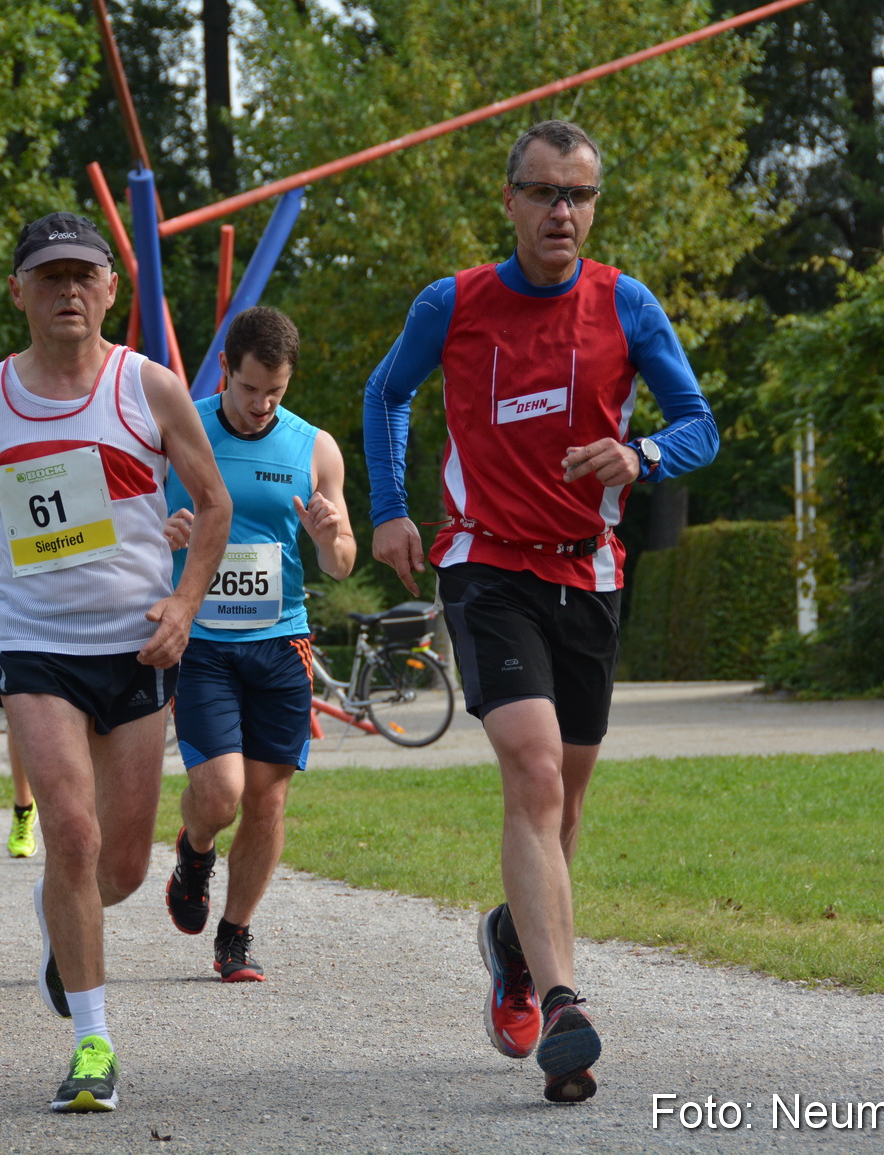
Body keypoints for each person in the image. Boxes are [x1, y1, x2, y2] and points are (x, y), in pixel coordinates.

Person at [363, 120, 720, 1104]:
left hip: (588, 574)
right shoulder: (452, 304)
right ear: (510, 200)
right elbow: (386, 393)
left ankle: (515, 947)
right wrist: (389, 508)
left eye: (579, 194)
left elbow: (700, 426)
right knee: (531, 767)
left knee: (562, 802)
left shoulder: (626, 304)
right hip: (485, 564)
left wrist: (640, 454)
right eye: (544, 192)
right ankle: (565, 1004)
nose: (562, 210)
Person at [0, 212, 230, 1113]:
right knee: (72, 837)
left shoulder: (148, 386)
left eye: (84, 275)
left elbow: (213, 503)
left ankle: (61, 917)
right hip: (35, 644)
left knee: (119, 868)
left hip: (136, 646)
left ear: (111, 288)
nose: (69, 291)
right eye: (49, 277)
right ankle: (93, 1043)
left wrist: (184, 605)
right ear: (19, 292)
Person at [160, 307, 355, 983]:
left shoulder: (314, 447)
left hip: (281, 640)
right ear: (225, 370)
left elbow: (342, 563)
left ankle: (235, 934)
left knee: (267, 800)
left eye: (276, 390)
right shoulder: (179, 427)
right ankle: (195, 848)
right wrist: (163, 535)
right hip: (202, 639)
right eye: (249, 388)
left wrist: (330, 537)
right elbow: (130, 522)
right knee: (220, 794)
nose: (261, 404)